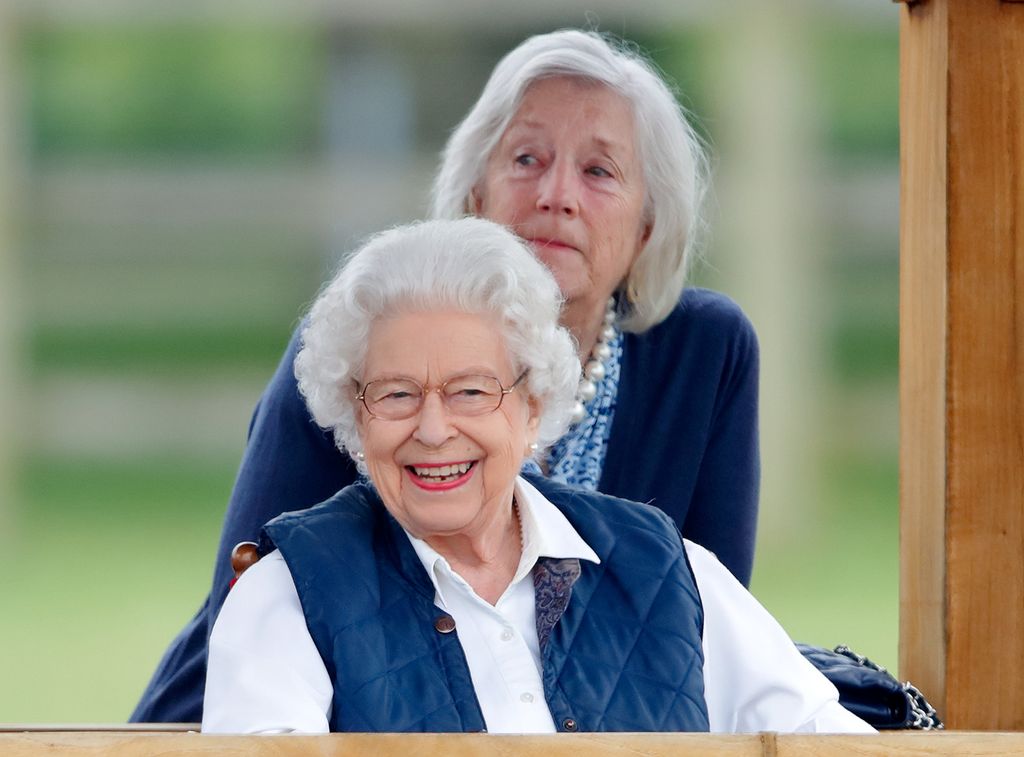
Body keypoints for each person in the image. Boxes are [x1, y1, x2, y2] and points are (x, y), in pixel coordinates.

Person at [133, 29, 760, 723]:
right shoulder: (364, 341)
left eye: (600, 171)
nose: (557, 194)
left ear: (647, 226)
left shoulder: (706, 351)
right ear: (473, 197)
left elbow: (708, 638)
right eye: (527, 158)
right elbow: (251, 590)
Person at [201, 219, 867, 734]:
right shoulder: (286, 596)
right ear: (354, 416)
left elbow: (828, 740)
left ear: (532, 408)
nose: (433, 429)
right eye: (397, 394)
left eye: (471, 392)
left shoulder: (664, 568)